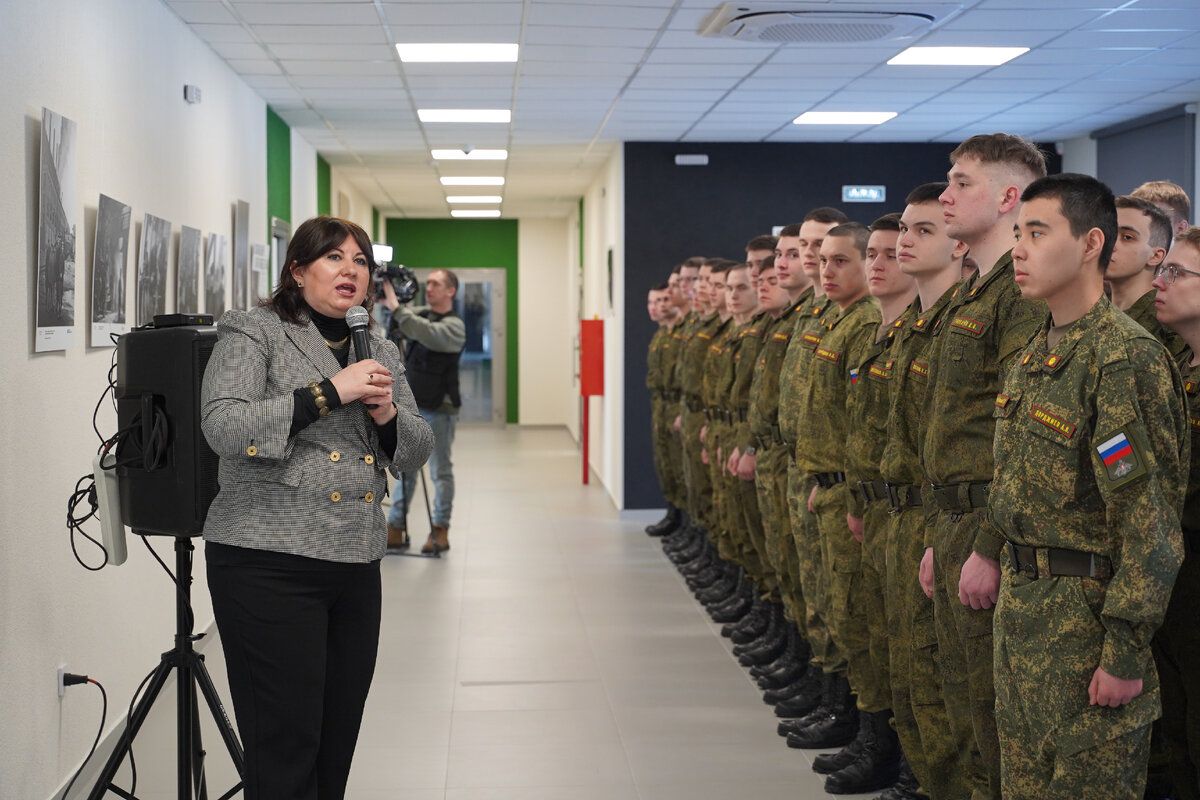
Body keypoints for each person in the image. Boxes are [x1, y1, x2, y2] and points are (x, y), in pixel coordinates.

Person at [200, 215, 434, 799]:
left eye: (360, 261)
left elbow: (416, 448)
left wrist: (386, 415)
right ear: (297, 271)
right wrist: (333, 392)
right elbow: (225, 426)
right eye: (334, 258)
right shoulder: (254, 331)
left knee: (336, 737)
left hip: (355, 561)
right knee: (285, 741)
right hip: (267, 559)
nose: (350, 270)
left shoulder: (377, 344)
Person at [991, 172, 1187, 798]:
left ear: (1089, 242)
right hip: (1023, 620)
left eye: (1038, 232)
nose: (1018, 249)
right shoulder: (1034, 354)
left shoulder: (1123, 360)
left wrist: (1125, 649)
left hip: (1085, 627)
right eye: (1017, 233)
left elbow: (1149, 521)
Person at [924, 133, 1048, 800]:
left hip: (987, 527)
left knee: (993, 720)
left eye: (962, 182)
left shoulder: (1021, 296)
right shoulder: (977, 292)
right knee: (963, 705)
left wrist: (988, 544)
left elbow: (1020, 433)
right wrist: (937, 533)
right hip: (956, 521)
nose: (947, 194)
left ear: (1007, 196)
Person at [884, 182, 971, 800]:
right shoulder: (919, 326)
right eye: (902, 231)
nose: (903, 243)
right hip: (903, 513)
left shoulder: (962, 324)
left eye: (922, 231)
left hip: (947, 521)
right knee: (910, 666)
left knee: (945, 682)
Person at [1149, 226, 1200, 800]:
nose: (1160, 282)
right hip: (1171, 573)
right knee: (1179, 719)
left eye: (1177, 273)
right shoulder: (1176, 368)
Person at [381, 269, 467, 553]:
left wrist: (398, 309)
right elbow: (402, 320)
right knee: (406, 468)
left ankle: (440, 529)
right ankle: (396, 526)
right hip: (411, 407)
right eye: (427, 283)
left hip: (440, 409)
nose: (428, 288)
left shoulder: (454, 326)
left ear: (450, 291)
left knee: (440, 470)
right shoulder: (421, 314)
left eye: (436, 284)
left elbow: (427, 333)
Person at [1108, 195, 1185, 355]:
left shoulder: (1169, 326)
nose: (1111, 244)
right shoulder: (1090, 315)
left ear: (1155, 256)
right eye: (1108, 233)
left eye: (1127, 237)